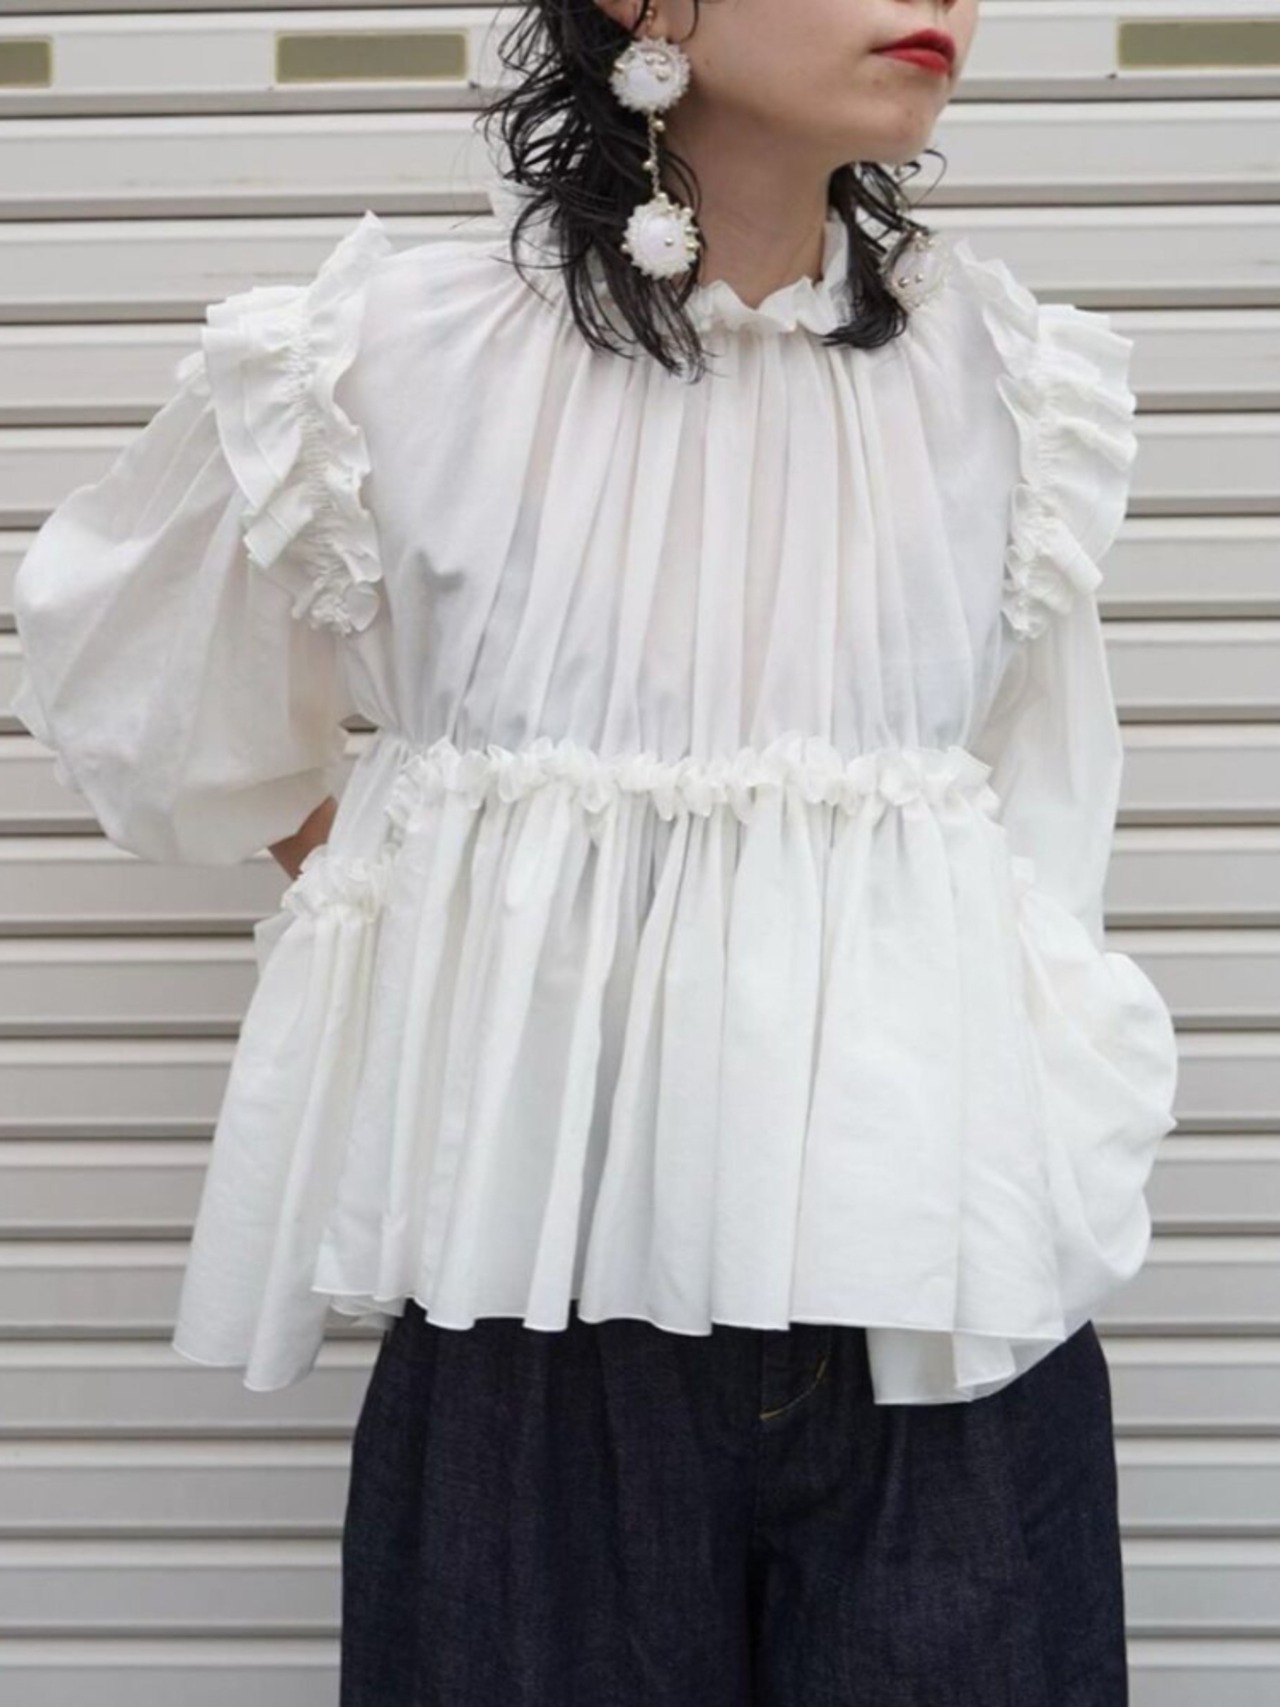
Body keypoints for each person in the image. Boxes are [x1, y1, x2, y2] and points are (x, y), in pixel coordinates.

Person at [11, 0, 1180, 1700]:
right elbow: (143, 680)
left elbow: (1039, 829)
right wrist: (430, 908)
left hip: (943, 1316)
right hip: (535, 1323)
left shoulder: (1009, 384)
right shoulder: (388, 359)